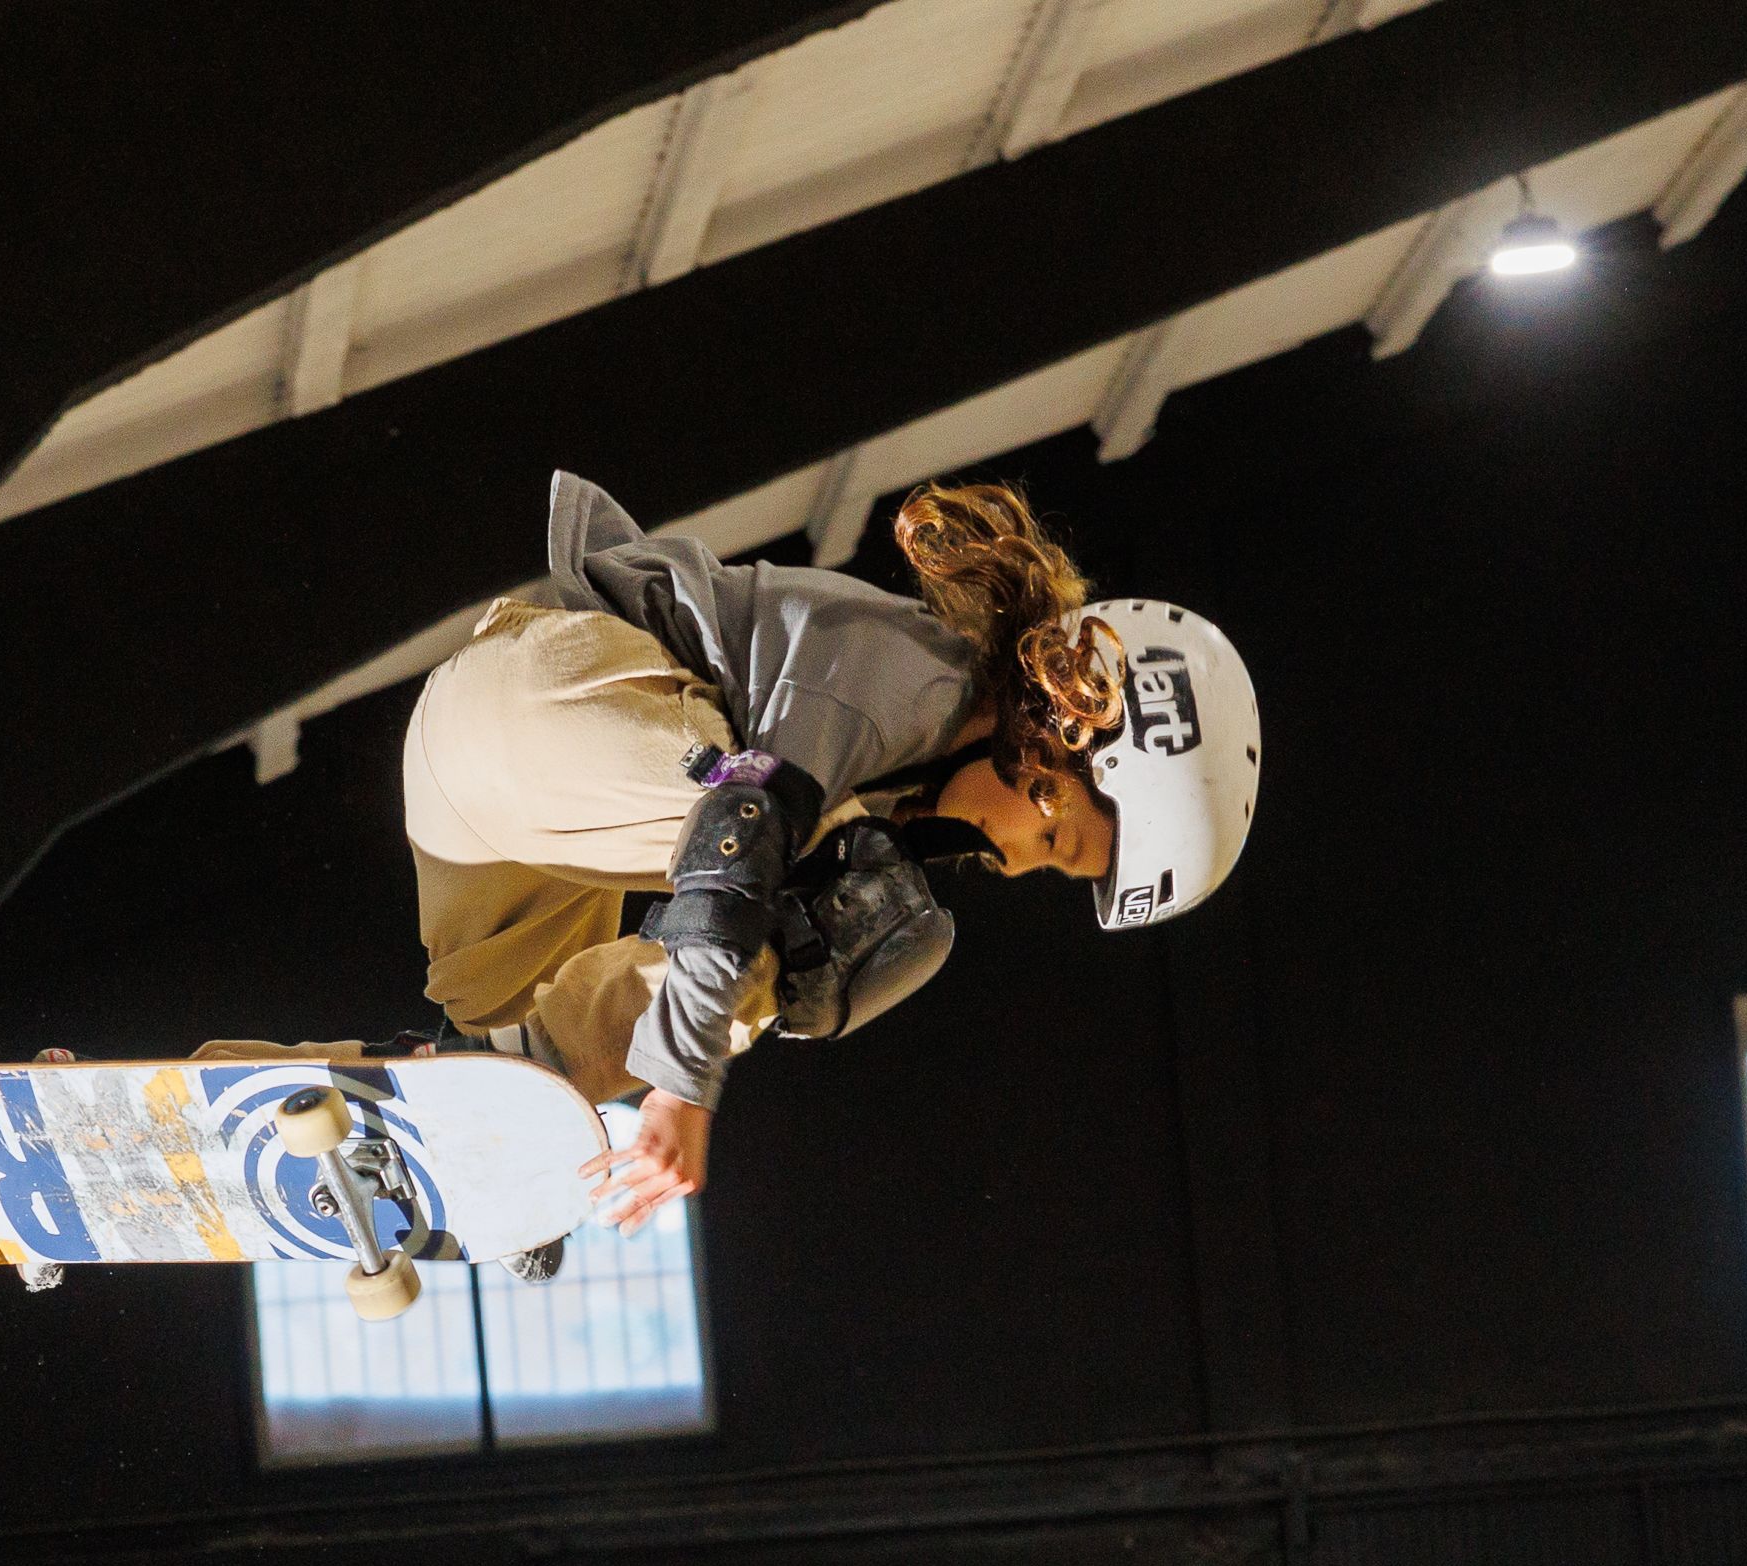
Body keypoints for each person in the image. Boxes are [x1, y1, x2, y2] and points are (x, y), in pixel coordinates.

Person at [210, 470, 1261, 1271]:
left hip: (481, 799)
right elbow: (740, 828)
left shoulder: (905, 759)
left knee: (501, 1065)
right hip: (544, 704)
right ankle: (544, 1083)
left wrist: (522, 1153)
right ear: (1055, 757)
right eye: (1060, 842)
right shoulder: (906, 685)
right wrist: (679, 1090)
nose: (1023, 865)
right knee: (848, 923)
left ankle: (251, 1100)